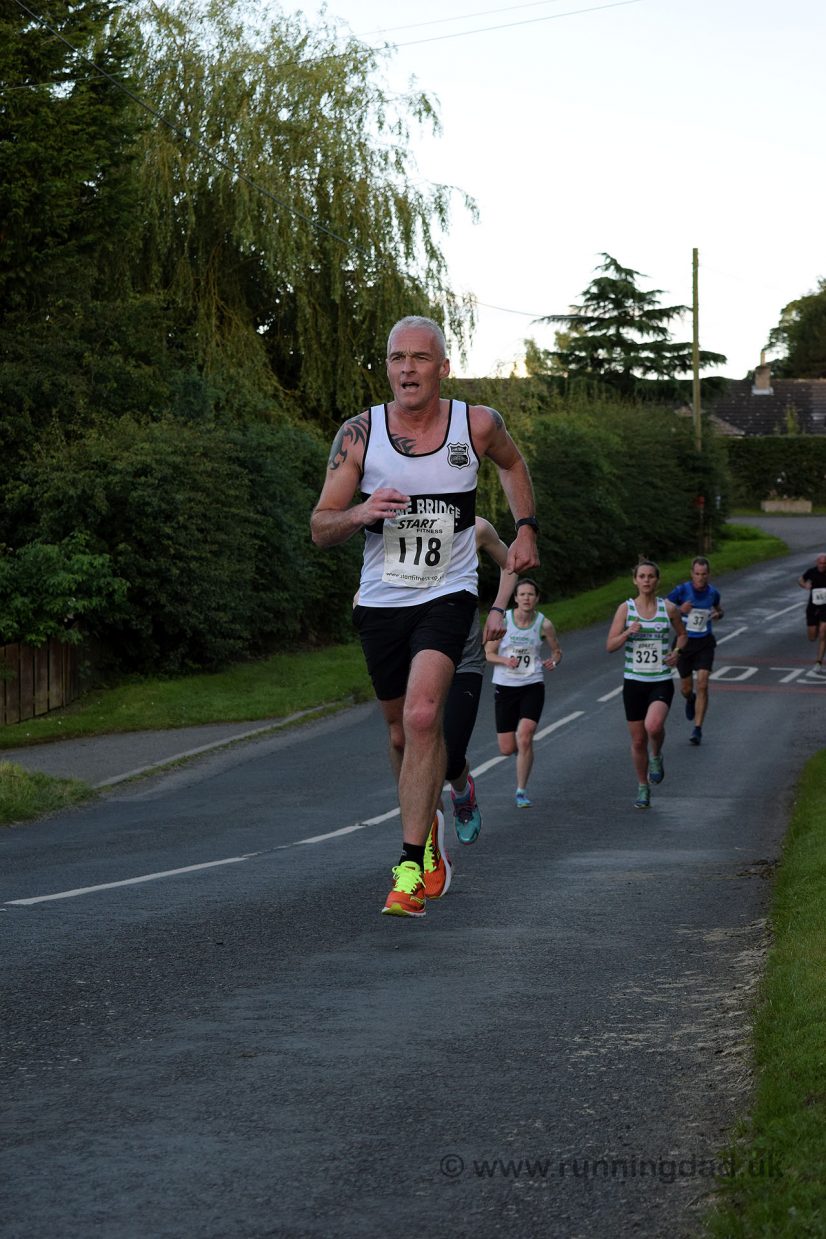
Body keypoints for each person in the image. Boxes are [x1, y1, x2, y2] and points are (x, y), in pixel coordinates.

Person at [310, 315, 539, 918]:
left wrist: (525, 529)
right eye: (395, 358)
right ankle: (437, 823)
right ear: (387, 367)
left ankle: (409, 867)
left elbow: (513, 466)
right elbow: (320, 525)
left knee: (421, 714)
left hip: (449, 590)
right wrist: (361, 513)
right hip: (382, 599)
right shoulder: (359, 435)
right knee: (398, 732)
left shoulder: (478, 423)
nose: (406, 368)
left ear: (442, 367)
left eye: (418, 357)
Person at [443, 517, 515, 846]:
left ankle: (462, 792)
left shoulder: (477, 528)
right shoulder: (398, 521)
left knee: (449, 754)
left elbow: (511, 563)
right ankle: (424, 843)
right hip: (413, 658)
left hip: (464, 659)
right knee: (415, 747)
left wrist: (499, 608)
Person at [606, 559, 688, 809]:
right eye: (642, 576)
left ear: (657, 580)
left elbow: (683, 635)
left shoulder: (669, 608)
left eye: (651, 576)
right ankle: (643, 786)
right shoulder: (626, 609)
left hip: (660, 680)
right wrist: (627, 633)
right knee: (638, 739)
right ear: (635, 580)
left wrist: (677, 652)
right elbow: (610, 646)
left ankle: (657, 755)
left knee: (654, 726)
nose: (646, 580)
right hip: (633, 682)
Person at [485, 577, 562, 809]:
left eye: (531, 594)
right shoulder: (504, 622)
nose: (527, 598)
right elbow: (488, 653)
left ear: (537, 598)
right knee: (507, 748)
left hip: (532, 684)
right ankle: (523, 752)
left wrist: (553, 661)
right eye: (522, 594)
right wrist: (505, 660)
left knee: (526, 735)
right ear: (516, 598)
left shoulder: (544, 624)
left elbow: (557, 651)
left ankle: (521, 790)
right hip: (506, 686)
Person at [667, 556, 724, 746]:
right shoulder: (681, 590)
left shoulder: (713, 593)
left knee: (703, 684)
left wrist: (718, 614)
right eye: (697, 574)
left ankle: (697, 729)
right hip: (684, 643)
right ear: (692, 574)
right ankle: (689, 699)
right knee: (686, 688)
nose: (700, 578)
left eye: (704, 574)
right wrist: (679, 609)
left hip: (705, 644)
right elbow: (664, 608)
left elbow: (719, 609)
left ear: (709, 574)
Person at [798, 553, 826, 674]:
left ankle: (818, 662)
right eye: (820, 563)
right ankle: (819, 629)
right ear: (817, 562)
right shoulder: (812, 571)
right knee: (812, 637)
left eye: (825, 563)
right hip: (813, 607)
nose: (822, 565)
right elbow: (800, 579)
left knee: (823, 633)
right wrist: (804, 585)